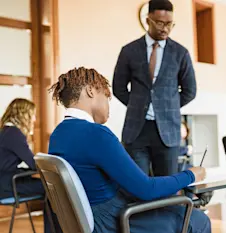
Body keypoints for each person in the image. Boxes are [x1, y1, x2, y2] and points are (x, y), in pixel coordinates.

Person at [48, 67, 210, 233]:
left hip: (86, 221)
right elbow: (146, 189)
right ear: (90, 91)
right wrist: (191, 175)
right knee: (198, 220)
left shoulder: (58, 135)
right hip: (112, 221)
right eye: (106, 97)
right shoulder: (96, 134)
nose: (108, 106)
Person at [113, 0, 196, 177]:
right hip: (136, 131)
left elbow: (190, 90)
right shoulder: (129, 51)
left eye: (169, 24)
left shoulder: (181, 53)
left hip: (168, 132)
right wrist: (137, 105)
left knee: (167, 190)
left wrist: (165, 107)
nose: (165, 28)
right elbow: (118, 88)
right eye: (160, 23)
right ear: (148, 20)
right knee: (137, 188)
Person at [0, 98, 60, 233]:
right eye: (32, 115)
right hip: (8, 185)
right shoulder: (14, 134)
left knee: (47, 187)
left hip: (5, 181)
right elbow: (33, 163)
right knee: (53, 190)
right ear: (24, 115)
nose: (34, 119)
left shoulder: (5, 131)